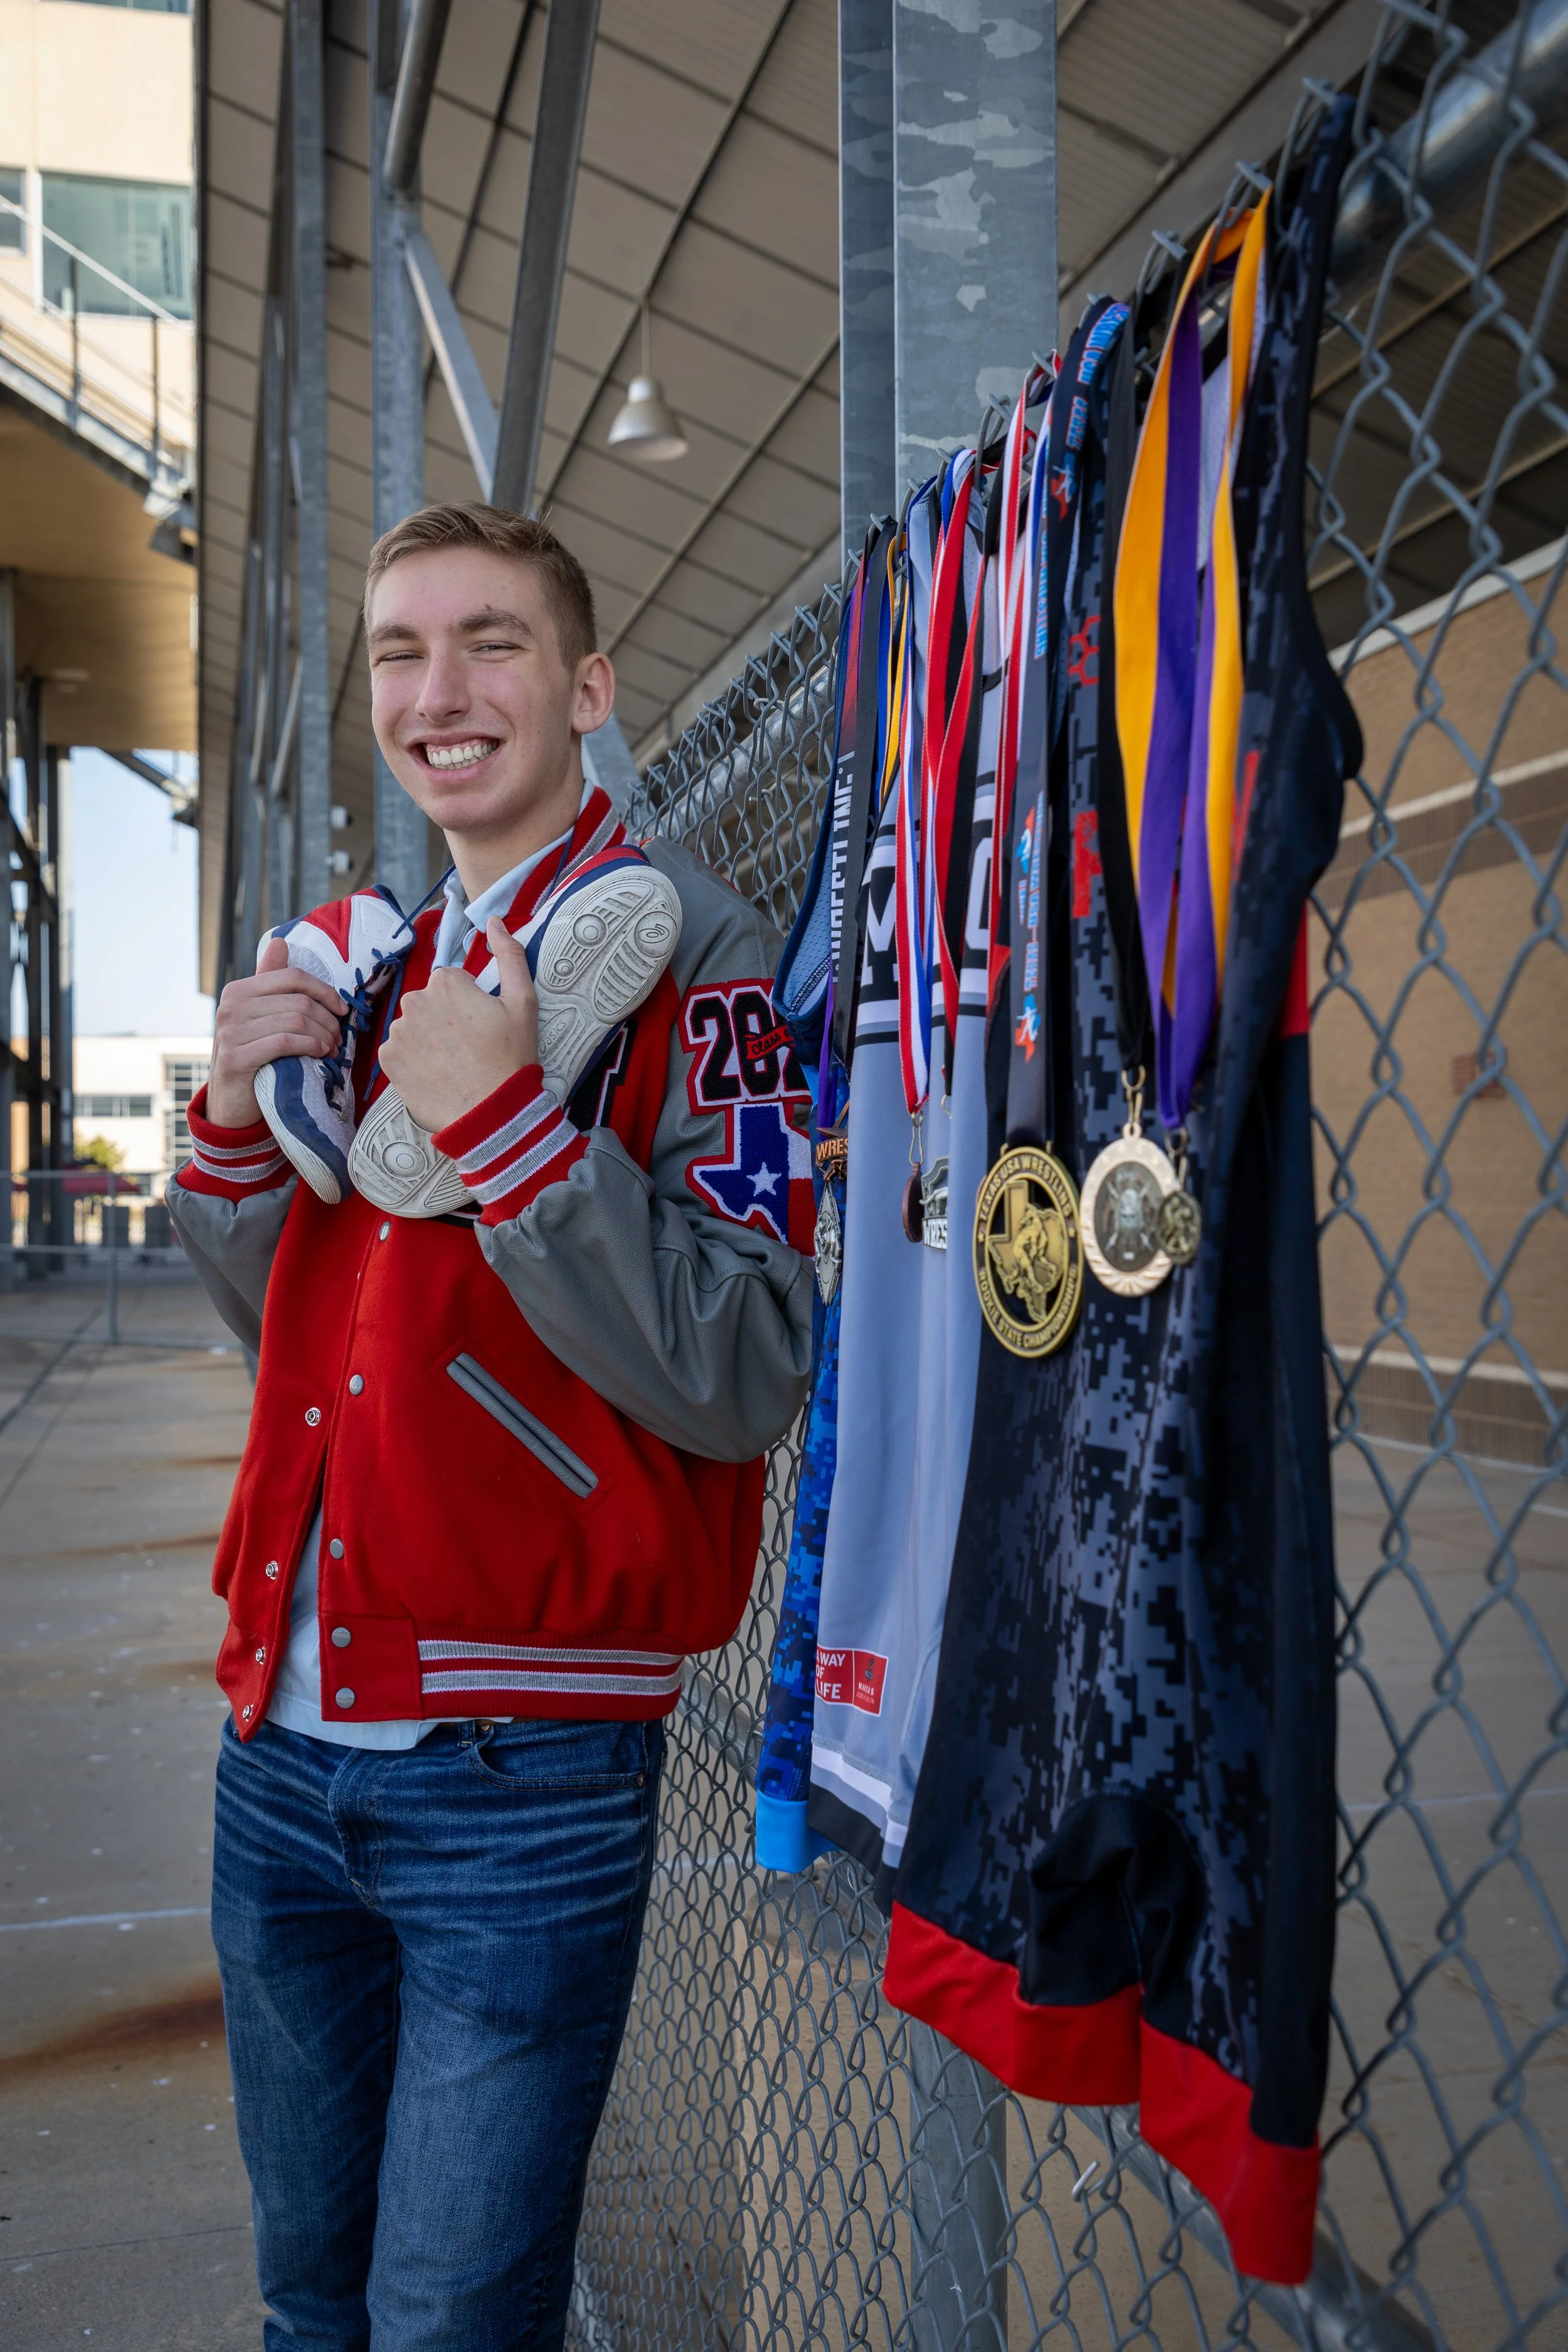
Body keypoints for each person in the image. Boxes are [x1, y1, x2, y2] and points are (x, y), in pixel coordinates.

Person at [169, 502, 814, 2351]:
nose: (436, 691)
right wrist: (230, 1128)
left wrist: (518, 1134)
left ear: (588, 684)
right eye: (398, 651)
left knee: (449, 2322)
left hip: (514, 1762)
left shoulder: (716, 961)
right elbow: (298, 1340)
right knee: (309, 2300)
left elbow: (754, 1355)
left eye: (492, 643)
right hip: (278, 1745)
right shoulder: (370, 962)